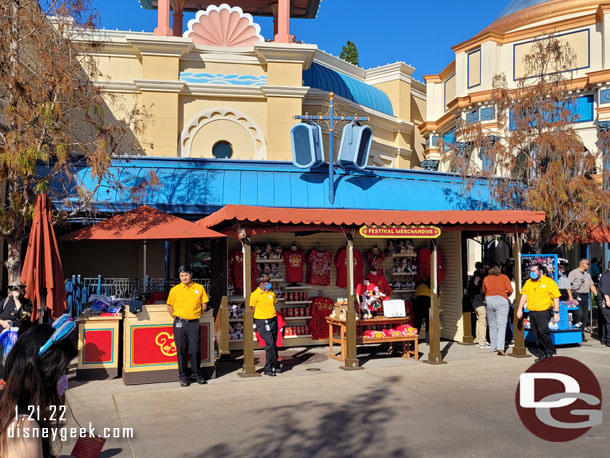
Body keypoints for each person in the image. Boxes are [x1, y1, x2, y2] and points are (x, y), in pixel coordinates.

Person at [0, 323, 77, 458]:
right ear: (41, 376)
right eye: (61, 373)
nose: (65, 380)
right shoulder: (24, 427)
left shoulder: (11, 410)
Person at [166, 265, 208, 387]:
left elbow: (204, 304)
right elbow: (169, 306)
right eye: (182, 276)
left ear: (191, 275)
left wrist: (195, 314)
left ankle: (196, 374)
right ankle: (183, 376)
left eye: (186, 275)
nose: (184, 278)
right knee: (181, 350)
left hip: (194, 323)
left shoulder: (199, 288)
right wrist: (178, 318)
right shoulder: (175, 290)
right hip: (179, 323)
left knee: (195, 349)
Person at [517, 263, 561, 361]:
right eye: (531, 271)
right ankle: (542, 354)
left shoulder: (549, 282)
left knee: (543, 331)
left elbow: (556, 297)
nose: (531, 273)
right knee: (536, 334)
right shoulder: (529, 282)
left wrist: (556, 312)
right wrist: (520, 308)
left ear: (540, 271)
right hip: (532, 312)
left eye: (533, 271)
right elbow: (524, 295)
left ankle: (549, 351)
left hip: (544, 311)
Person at [250, 274, 279, 376]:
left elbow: (274, 302)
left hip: (273, 319)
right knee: (270, 343)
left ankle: (272, 366)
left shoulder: (271, 293)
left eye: (269, 282)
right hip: (262, 321)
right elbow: (252, 309)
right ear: (261, 283)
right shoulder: (254, 295)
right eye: (267, 282)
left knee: (272, 345)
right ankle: (271, 366)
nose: (269, 284)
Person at [482, 265, 513, 356]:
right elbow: (510, 290)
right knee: (502, 325)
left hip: (489, 300)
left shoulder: (486, 278)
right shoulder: (504, 277)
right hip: (501, 300)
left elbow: (484, 290)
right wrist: (506, 295)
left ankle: (493, 346)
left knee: (492, 324)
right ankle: (500, 347)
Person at [568, 258, 598, 341]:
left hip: (585, 296)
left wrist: (598, 295)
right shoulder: (573, 273)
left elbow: (591, 286)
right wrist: (570, 297)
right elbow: (568, 286)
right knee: (579, 315)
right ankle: (576, 331)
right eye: (588, 264)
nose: (589, 265)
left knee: (585, 316)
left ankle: (580, 332)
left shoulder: (587, 274)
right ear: (582, 264)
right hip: (576, 296)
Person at [469, 263, 489, 348]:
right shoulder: (482, 279)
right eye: (485, 269)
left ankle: (477, 338)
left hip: (475, 302)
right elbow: (482, 291)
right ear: (481, 269)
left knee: (479, 320)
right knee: (483, 321)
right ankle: (482, 341)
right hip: (480, 302)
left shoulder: (475, 278)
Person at [596, 261, 610, 347]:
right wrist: (608, 300)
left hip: (605, 299)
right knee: (609, 320)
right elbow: (605, 289)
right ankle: (608, 340)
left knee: (606, 321)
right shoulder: (607, 276)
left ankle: (604, 338)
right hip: (605, 300)